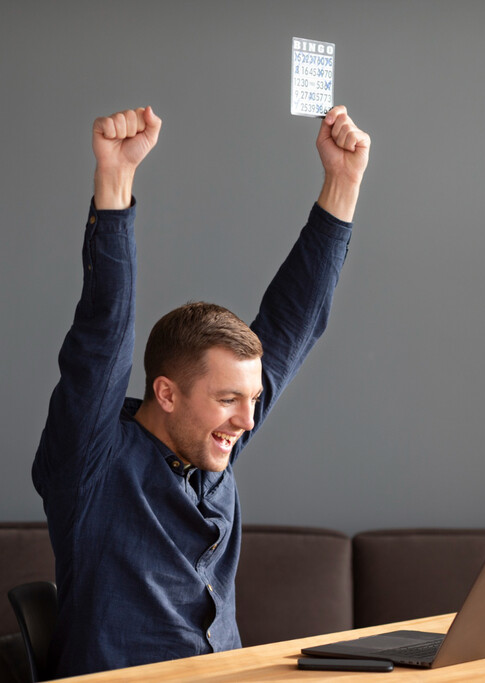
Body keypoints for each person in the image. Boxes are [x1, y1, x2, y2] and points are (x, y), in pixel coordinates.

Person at [32, 104, 370, 677]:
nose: (246, 420)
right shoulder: (92, 461)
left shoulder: (211, 444)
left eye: (252, 399)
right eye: (228, 400)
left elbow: (295, 321)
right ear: (166, 393)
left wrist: (342, 180)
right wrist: (114, 179)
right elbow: (103, 332)